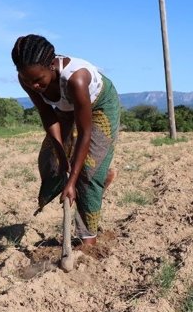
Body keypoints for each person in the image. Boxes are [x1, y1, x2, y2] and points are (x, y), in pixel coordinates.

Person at [11, 34, 119, 245]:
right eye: (27, 80)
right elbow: (47, 115)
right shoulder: (27, 78)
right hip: (65, 109)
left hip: (99, 107)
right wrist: (61, 155)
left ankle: (88, 239)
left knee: (88, 173)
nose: (34, 86)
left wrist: (71, 180)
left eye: (38, 80)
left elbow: (85, 133)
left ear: (51, 65)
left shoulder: (76, 79)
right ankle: (81, 185)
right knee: (50, 162)